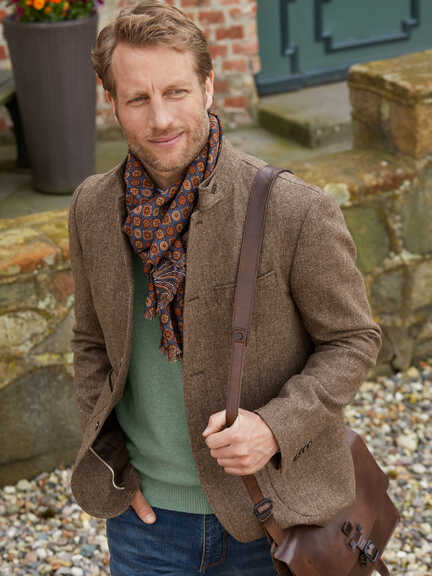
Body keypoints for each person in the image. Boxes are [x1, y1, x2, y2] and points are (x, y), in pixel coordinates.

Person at [68, 2, 382, 575]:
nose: (161, 118)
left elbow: (354, 340)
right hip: (147, 524)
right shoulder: (92, 207)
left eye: (177, 92)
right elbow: (91, 344)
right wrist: (115, 472)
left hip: (275, 519)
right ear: (111, 102)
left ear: (208, 87)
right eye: (138, 99)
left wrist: (275, 427)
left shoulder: (294, 208)